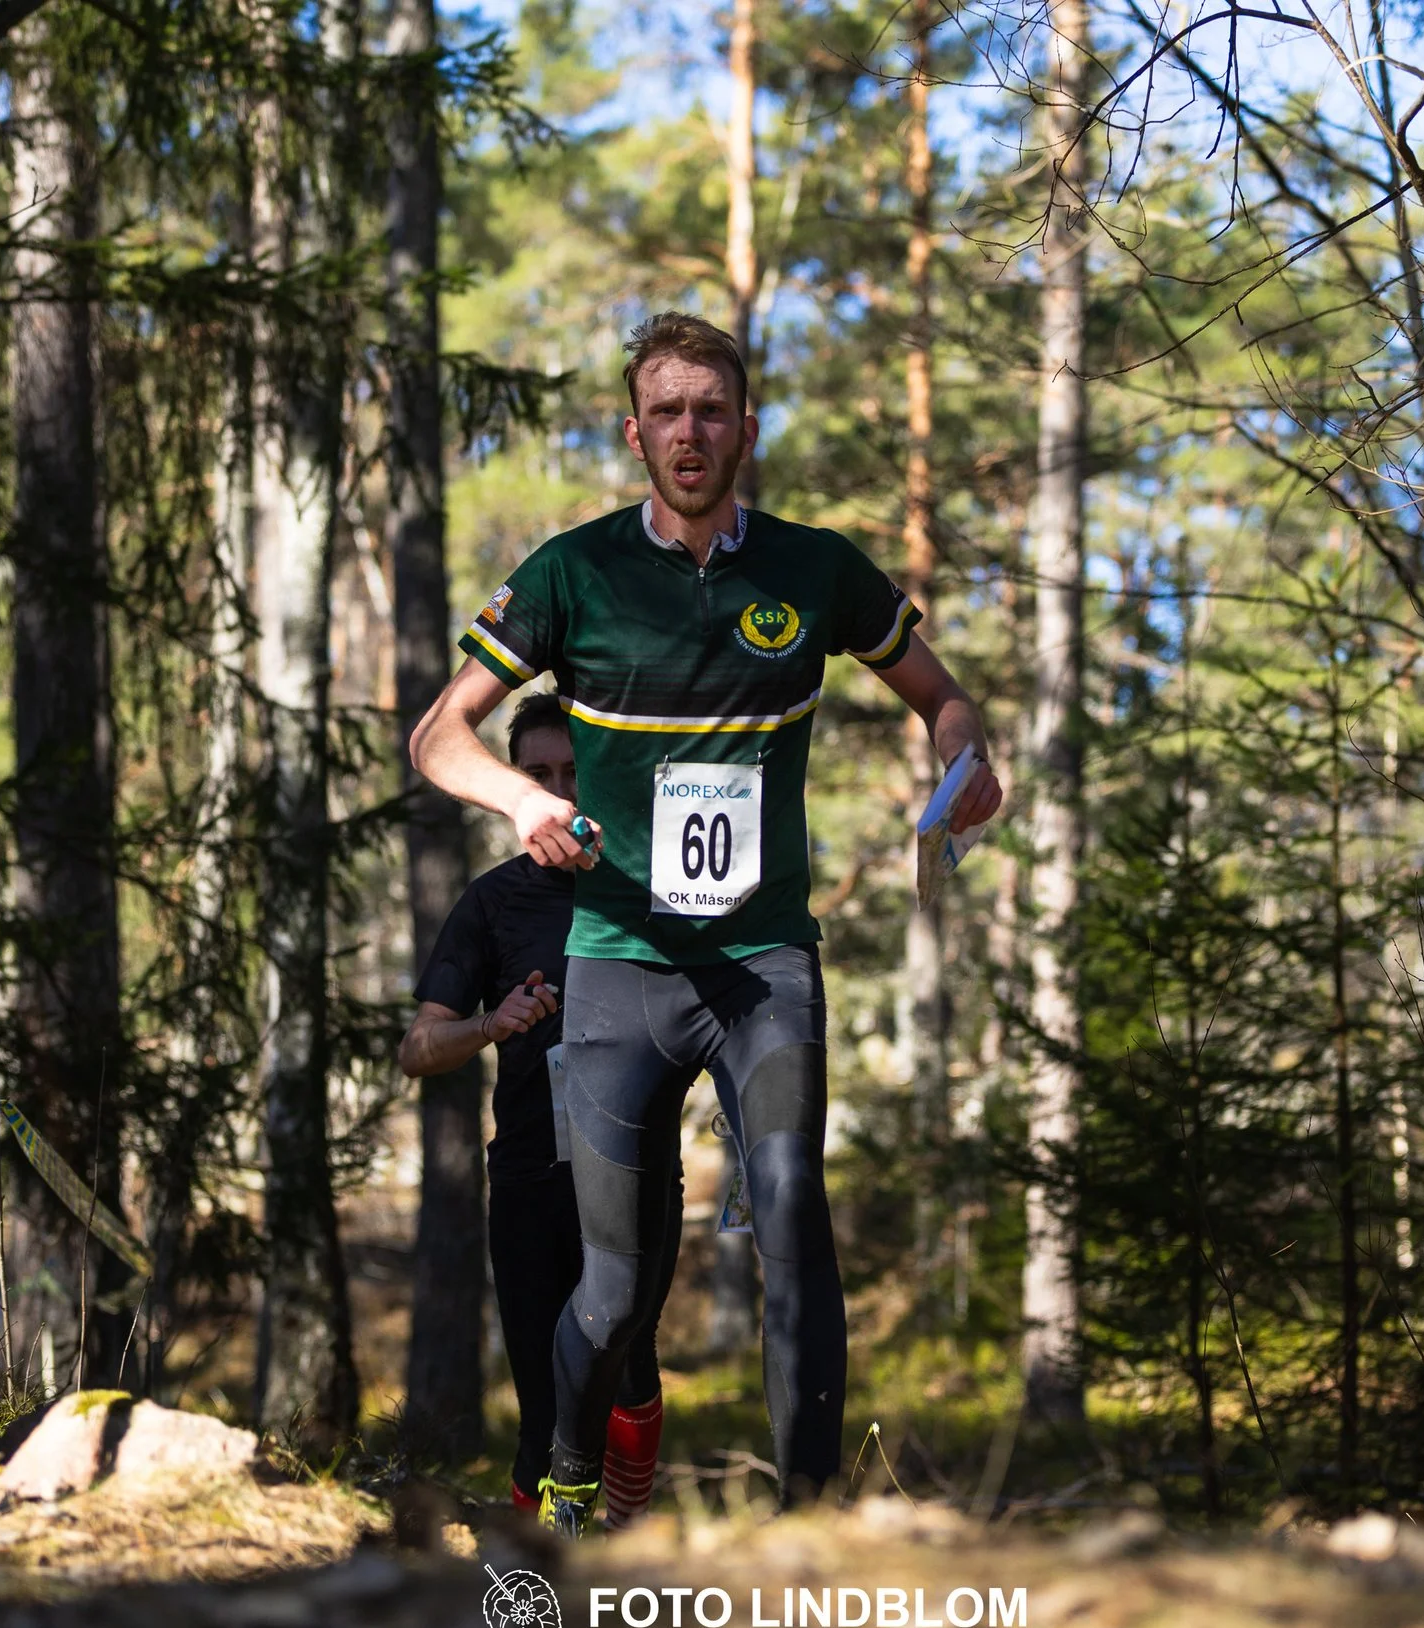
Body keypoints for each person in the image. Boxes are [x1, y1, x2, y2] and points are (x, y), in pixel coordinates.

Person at [410, 311, 1003, 1536]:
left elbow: (942, 699)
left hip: (760, 962)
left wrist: (966, 757)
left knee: (793, 1214)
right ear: (634, 432)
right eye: (666, 411)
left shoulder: (816, 568)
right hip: (618, 967)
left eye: (712, 410)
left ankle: (811, 1527)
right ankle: (568, 1478)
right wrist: (526, 797)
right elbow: (437, 736)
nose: (689, 432)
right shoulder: (573, 572)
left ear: (745, 428)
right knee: (615, 1283)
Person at [398, 693, 679, 1530]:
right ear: (512, 786)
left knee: (627, 1365)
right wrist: (493, 1022)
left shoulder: (650, 887)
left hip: (635, 1170)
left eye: (573, 772)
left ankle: (622, 1538)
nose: (559, 790)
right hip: (528, 1175)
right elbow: (419, 1049)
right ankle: (539, 1589)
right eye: (538, 774)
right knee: (542, 1405)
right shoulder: (492, 904)